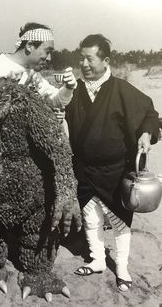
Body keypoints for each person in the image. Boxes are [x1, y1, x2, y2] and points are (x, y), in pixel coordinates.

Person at [65, 34, 159, 291]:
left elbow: (150, 113)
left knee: (119, 221)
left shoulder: (121, 89)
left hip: (115, 169)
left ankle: (121, 267)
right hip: (83, 169)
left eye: (90, 58)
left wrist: (145, 132)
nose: (84, 63)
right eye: (81, 58)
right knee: (90, 217)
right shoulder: (75, 91)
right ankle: (96, 260)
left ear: (105, 61)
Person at [0, 22, 77, 110]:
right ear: (29, 46)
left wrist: (69, 87)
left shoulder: (33, 74)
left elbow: (55, 101)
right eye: (47, 51)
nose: (49, 58)